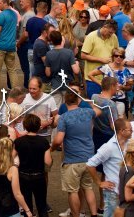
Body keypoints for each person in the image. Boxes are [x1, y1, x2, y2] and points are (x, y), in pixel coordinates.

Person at [55, 87, 100, 217]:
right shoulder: (88, 112)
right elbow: (98, 111)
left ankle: (76, 215)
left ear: (65, 101)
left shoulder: (64, 118)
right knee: (88, 188)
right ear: (78, 100)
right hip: (89, 158)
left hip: (72, 160)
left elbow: (58, 140)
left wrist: (51, 148)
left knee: (73, 191)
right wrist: (88, 101)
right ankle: (93, 214)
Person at [0, 136, 33, 217]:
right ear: (11, 151)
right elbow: (17, 193)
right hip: (10, 208)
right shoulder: (13, 169)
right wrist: (27, 210)